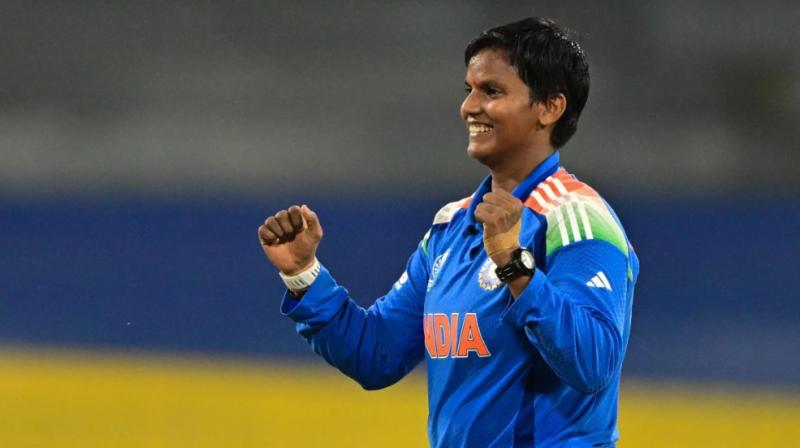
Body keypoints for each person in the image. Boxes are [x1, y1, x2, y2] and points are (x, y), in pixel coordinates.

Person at [258, 17, 639, 448]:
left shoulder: (578, 219)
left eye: (491, 91)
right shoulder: (450, 227)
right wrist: (303, 274)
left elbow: (593, 363)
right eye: (469, 89)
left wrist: (514, 265)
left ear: (550, 108)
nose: (469, 107)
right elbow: (378, 354)